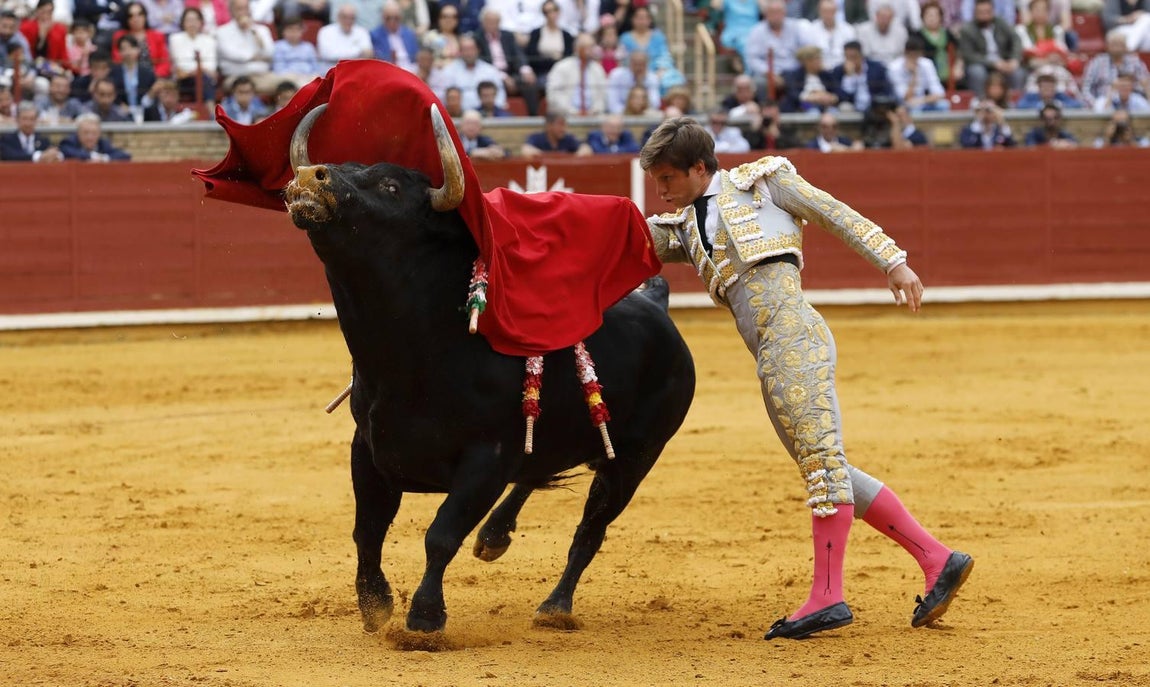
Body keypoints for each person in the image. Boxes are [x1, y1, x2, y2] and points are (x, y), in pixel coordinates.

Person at [639, 117, 973, 640]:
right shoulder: (686, 225)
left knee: (821, 466)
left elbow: (830, 211)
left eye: (667, 179)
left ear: (699, 168)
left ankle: (828, 596)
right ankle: (938, 558)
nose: (659, 190)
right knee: (827, 464)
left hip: (793, 336)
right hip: (769, 351)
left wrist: (894, 262)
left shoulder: (763, 183)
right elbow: (627, 238)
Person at [473, 6, 541, 116]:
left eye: (495, 22)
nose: (492, 25)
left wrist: (525, 70)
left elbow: (518, 54)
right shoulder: (478, 37)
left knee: (530, 85)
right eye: (489, 22)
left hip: (511, 72)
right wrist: (503, 77)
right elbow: (482, 62)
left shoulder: (507, 35)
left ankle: (533, 118)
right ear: (483, 23)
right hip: (489, 75)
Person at [959, 0, 1025, 97]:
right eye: (981, 13)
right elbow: (969, 55)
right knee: (976, 72)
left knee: (1018, 73)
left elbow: (1016, 40)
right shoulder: (967, 30)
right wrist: (993, 63)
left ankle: (1014, 104)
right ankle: (981, 102)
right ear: (975, 13)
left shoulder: (1001, 23)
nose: (984, 16)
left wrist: (1014, 59)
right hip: (982, 64)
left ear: (993, 11)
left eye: (987, 12)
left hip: (1003, 61)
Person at [617, 4, 683, 93]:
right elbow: (621, 58)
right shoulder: (625, 38)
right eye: (639, 18)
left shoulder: (658, 36)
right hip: (632, 71)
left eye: (644, 18)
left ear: (649, 20)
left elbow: (664, 56)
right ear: (633, 20)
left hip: (656, 70)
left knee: (674, 78)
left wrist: (661, 70)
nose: (641, 21)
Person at [217, 0, 277, 92]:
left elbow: (270, 53)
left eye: (246, 8)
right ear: (231, 11)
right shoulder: (222, 31)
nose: (243, 12)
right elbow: (232, 54)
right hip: (236, 77)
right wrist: (254, 57)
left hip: (262, 75)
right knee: (244, 88)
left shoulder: (261, 30)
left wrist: (253, 32)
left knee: (286, 84)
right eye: (239, 9)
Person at [439, 34, 509, 112]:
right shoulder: (449, 70)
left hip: (487, 115)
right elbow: (443, 96)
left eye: (471, 49)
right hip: (458, 116)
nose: (469, 53)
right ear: (460, 52)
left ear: (478, 50)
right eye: (465, 49)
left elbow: (500, 95)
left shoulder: (490, 70)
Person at [745, 0, 804, 91]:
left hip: (793, 72)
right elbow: (752, 59)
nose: (776, 16)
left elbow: (803, 52)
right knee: (759, 83)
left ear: (784, 12)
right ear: (766, 14)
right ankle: (766, 105)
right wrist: (769, 73)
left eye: (778, 12)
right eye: (772, 12)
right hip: (768, 73)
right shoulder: (757, 31)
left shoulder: (795, 28)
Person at [543, 31, 607, 115]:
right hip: (566, 116)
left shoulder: (598, 69)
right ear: (576, 48)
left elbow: (603, 95)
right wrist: (573, 111)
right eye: (586, 47)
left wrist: (594, 110)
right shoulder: (561, 67)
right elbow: (553, 94)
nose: (590, 51)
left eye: (592, 47)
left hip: (593, 117)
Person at [1082, 30, 1150, 108]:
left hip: (1130, 100)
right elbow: (1086, 88)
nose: (1117, 48)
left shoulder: (1135, 62)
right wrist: (1094, 104)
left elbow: (1146, 84)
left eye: (1120, 44)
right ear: (1107, 46)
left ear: (1126, 47)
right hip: (1104, 99)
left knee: (1143, 105)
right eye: (1114, 44)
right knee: (1100, 105)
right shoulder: (1097, 62)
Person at [168, 7, 218, 108]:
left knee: (204, 80)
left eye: (195, 20)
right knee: (204, 80)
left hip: (205, 79)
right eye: (189, 20)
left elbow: (212, 66)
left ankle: (208, 112)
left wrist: (198, 69)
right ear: (183, 22)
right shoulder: (175, 39)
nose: (192, 23)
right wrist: (201, 68)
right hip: (184, 79)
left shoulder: (209, 40)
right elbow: (181, 65)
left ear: (201, 22)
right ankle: (211, 110)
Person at [887, 35, 949, 112]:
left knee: (944, 105)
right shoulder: (894, 67)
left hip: (923, 102)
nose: (914, 59)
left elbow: (940, 93)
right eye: (911, 56)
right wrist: (914, 75)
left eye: (917, 55)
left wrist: (921, 101)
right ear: (905, 54)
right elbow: (905, 98)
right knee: (912, 109)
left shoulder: (927, 64)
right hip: (903, 105)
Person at [831, 40, 894, 113]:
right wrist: (849, 77)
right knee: (845, 107)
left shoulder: (876, 68)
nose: (851, 61)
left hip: (873, 106)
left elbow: (886, 90)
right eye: (848, 58)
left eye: (854, 57)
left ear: (861, 55)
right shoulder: (839, 71)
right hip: (852, 106)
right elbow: (842, 97)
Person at [112, 1, 172, 77]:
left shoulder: (157, 36)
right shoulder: (119, 36)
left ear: (145, 16)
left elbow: (164, 62)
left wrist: (152, 76)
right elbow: (117, 60)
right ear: (126, 19)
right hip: (127, 77)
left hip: (155, 77)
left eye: (140, 14)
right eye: (131, 16)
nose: (136, 19)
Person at [912, 1, 962, 89]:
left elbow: (959, 51)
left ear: (941, 17)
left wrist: (958, 66)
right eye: (929, 15)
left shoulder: (947, 34)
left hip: (949, 74)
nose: (932, 18)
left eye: (935, 15)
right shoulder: (917, 36)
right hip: (926, 76)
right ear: (923, 17)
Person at [524, 0, 574, 88]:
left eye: (554, 10)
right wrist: (553, 59)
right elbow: (532, 57)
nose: (552, 14)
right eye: (548, 12)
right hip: (542, 72)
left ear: (559, 12)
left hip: (563, 72)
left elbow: (569, 56)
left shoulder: (567, 35)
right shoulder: (536, 33)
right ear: (544, 14)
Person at [779, 44, 838, 113]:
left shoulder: (826, 75)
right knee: (813, 111)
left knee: (834, 111)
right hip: (804, 105)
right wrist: (812, 97)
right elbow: (793, 94)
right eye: (817, 59)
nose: (820, 61)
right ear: (807, 61)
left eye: (820, 58)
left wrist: (831, 97)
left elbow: (837, 91)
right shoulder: (795, 75)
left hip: (826, 104)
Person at [110, 33, 157, 116]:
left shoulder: (147, 73)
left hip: (145, 113)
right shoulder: (113, 72)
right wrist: (120, 104)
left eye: (131, 48)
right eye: (123, 49)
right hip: (121, 113)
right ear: (119, 52)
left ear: (138, 50)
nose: (128, 52)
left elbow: (152, 95)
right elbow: (111, 93)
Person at [317, 3, 373, 72]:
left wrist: (341, 53)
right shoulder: (325, 31)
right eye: (345, 17)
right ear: (338, 17)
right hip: (332, 71)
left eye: (351, 18)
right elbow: (327, 54)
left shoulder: (362, 31)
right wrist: (358, 52)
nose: (348, 21)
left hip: (355, 71)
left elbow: (368, 54)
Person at [803, 0, 856, 70]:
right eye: (825, 11)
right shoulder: (811, 30)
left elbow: (853, 54)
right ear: (819, 11)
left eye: (831, 11)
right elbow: (809, 54)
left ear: (836, 11)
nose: (828, 15)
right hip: (820, 69)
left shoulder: (848, 29)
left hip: (843, 69)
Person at [59, 111, 132, 159]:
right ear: (78, 133)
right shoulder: (69, 142)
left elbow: (125, 155)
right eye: (86, 133)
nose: (90, 137)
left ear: (99, 134)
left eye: (94, 133)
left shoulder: (103, 143)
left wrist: (104, 158)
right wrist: (92, 156)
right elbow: (66, 151)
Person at [605, 48, 658, 115]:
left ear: (646, 64)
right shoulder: (616, 75)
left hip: (645, 115)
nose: (638, 67)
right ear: (630, 63)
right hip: (621, 115)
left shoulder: (652, 78)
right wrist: (628, 113)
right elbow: (612, 104)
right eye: (635, 64)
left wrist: (641, 83)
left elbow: (655, 103)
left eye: (642, 64)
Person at [856, 2, 908, 66]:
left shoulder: (901, 31)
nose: (884, 21)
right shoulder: (863, 30)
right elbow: (864, 54)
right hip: (871, 65)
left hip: (894, 65)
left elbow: (902, 54)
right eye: (882, 17)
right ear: (876, 16)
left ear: (892, 18)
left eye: (888, 18)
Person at [371, 0, 419, 70]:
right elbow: (378, 59)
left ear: (401, 17)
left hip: (411, 69)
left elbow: (416, 56)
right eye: (388, 18)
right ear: (383, 17)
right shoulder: (375, 35)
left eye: (396, 18)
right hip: (390, 71)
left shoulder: (409, 33)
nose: (392, 21)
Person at [271, 15, 320, 82]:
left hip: (308, 77)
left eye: (297, 30)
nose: (294, 33)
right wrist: (296, 76)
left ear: (302, 31)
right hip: (288, 78)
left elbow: (315, 67)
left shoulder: (308, 47)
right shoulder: (278, 46)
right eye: (290, 29)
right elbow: (279, 69)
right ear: (283, 31)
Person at [521, 110, 592, 157]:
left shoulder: (568, 138)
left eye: (564, 125)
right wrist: (549, 157)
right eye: (560, 125)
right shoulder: (536, 137)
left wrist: (574, 157)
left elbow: (586, 149)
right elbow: (526, 150)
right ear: (549, 126)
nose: (563, 129)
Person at [1015, 68, 1084, 109]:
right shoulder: (1031, 96)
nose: (1047, 90)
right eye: (1045, 87)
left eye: (1050, 87)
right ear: (1039, 88)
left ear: (1055, 88)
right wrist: (1041, 105)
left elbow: (1077, 104)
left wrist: (1059, 105)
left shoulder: (1060, 96)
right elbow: (1020, 105)